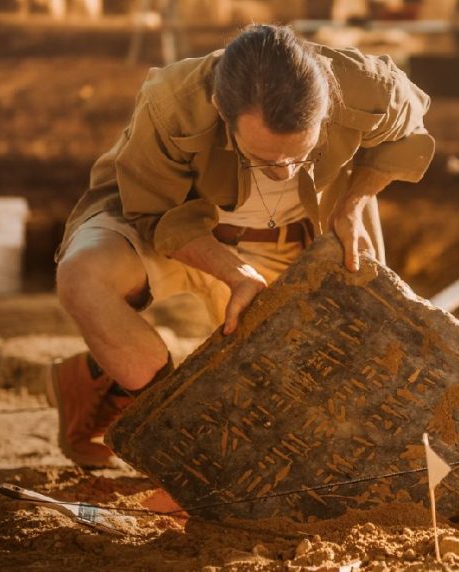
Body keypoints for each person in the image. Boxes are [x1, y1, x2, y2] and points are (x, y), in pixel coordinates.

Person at [48, 24, 435, 468]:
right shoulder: (171, 99)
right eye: (266, 160)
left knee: (306, 412)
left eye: (301, 155)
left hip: (292, 240)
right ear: (220, 110)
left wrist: (353, 203)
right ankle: (178, 449)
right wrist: (234, 273)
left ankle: (99, 378)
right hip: (174, 224)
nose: (287, 172)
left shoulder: (364, 85)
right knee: (83, 279)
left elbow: (408, 128)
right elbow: (153, 212)